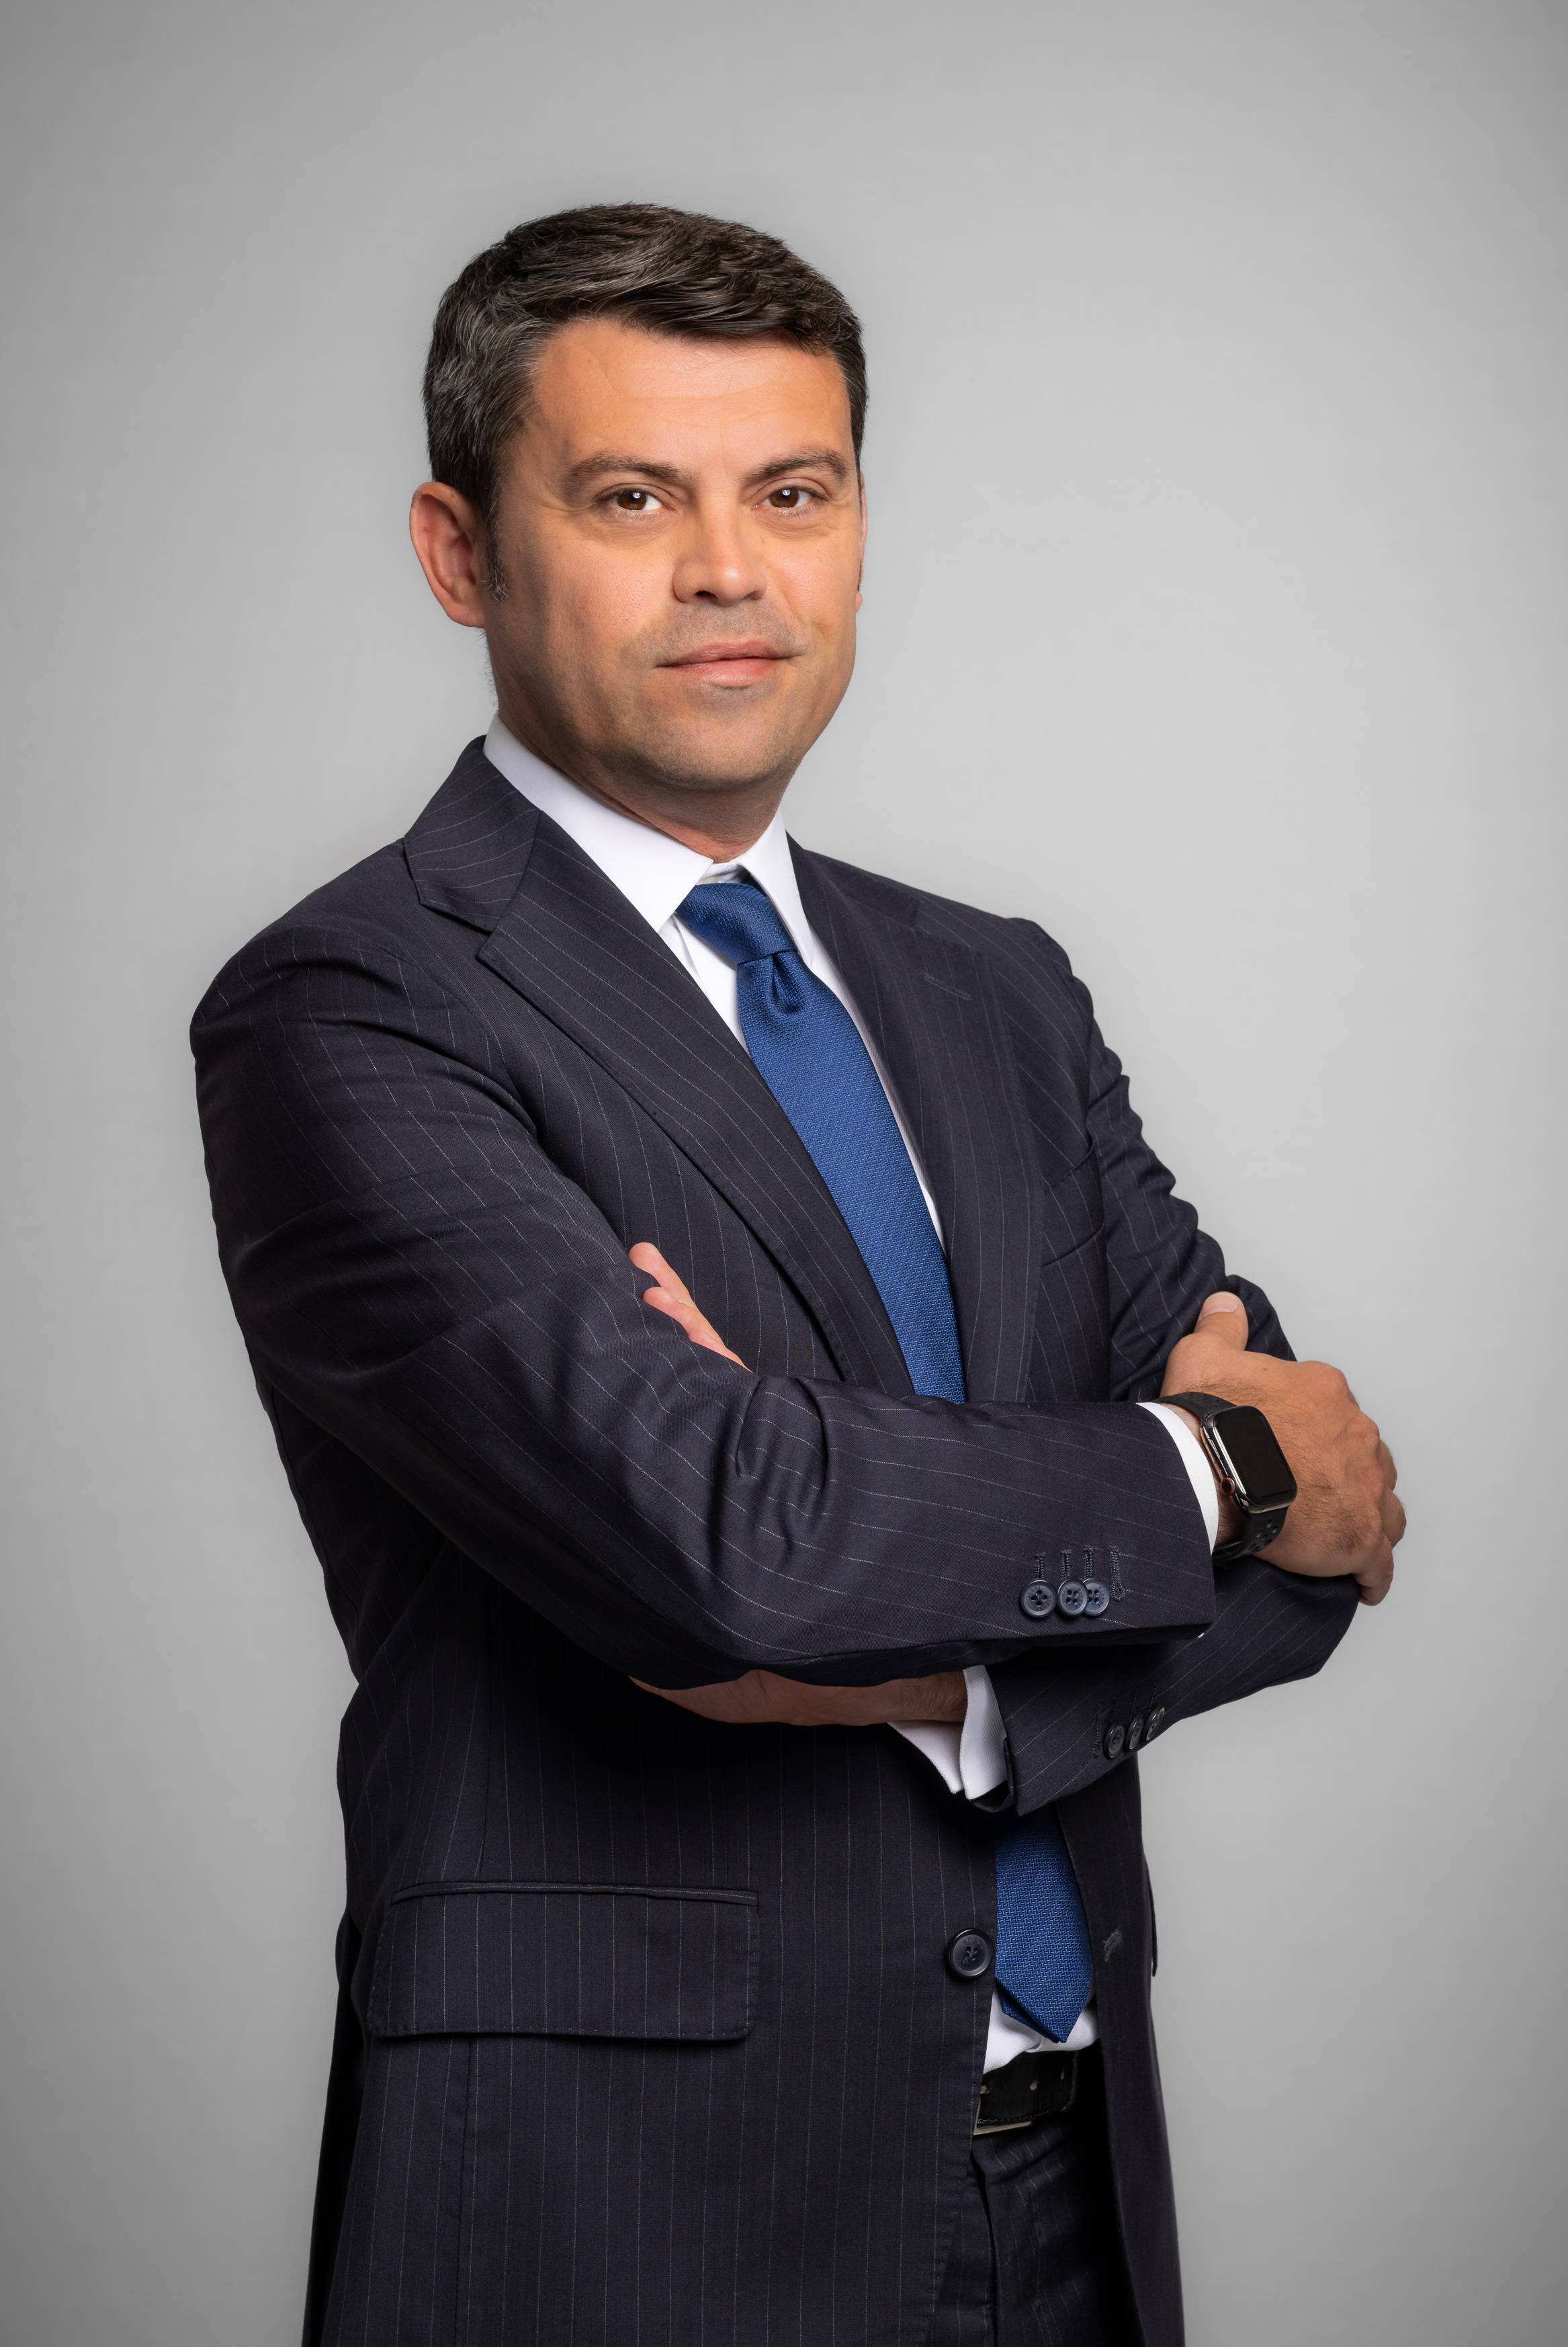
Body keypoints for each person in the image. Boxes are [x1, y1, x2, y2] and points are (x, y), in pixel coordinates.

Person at [192, 204, 1404, 2347]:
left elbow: (1335, 1526)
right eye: (630, 498)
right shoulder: (356, 1007)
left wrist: (908, 1658)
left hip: (1071, 2185)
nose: (728, 570)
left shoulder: (998, 990)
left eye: (793, 492)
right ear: (461, 553)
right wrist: (1197, 1473)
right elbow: (735, 1542)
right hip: (625, 2213)